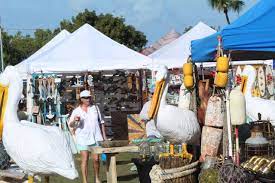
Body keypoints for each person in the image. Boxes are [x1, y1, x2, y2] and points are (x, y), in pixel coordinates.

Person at [68, 90, 106, 183]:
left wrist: (104, 136)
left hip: (96, 136)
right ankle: (85, 181)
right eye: (85, 97)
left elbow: (101, 122)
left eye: (89, 97)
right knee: (84, 160)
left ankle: (97, 178)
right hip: (83, 138)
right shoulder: (76, 111)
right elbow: (71, 125)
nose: (88, 99)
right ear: (81, 99)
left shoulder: (95, 108)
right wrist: (75, 120)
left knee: (96, 159)